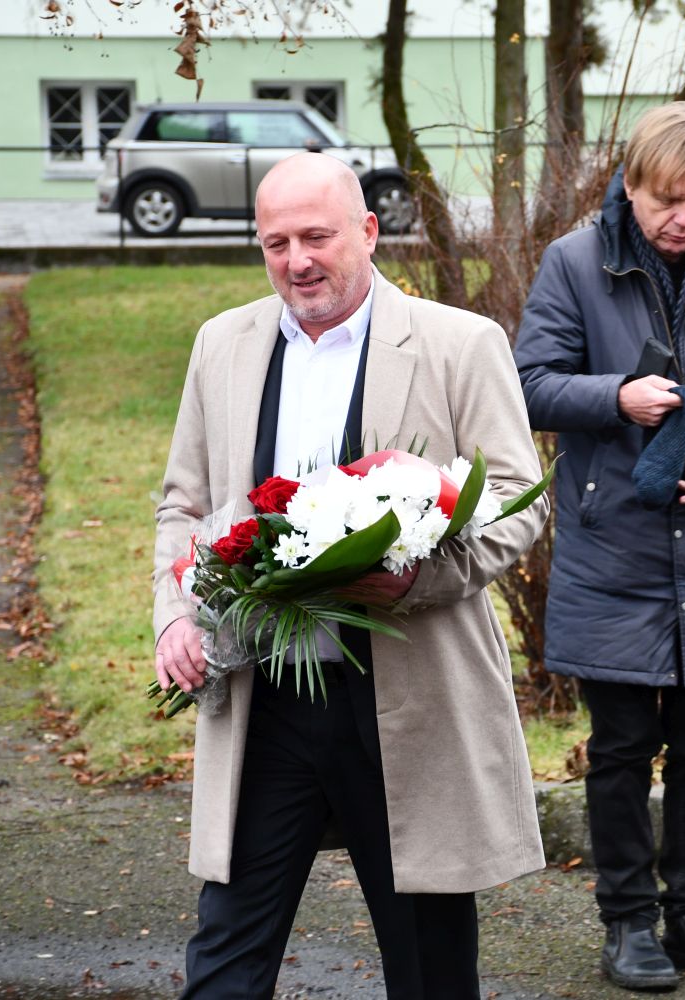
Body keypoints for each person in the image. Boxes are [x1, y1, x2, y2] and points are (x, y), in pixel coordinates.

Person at [151, 151, 549, 998]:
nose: (297, 261)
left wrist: (417, 580)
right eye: (276, 243)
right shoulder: (223, 345)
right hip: (264, 698)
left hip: (408, 698)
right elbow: (183, 505)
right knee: (224, 961)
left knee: (430, 968)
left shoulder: (459, 343)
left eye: (317, 237)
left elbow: (520, 502)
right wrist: (175, 615)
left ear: (368, 232)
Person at [513, 101, 685, 991]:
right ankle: (628, 924)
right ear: (630, 184)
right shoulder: (574, 262)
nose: (683, 219)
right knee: (622, 748)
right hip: (613, 547)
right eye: (668, 199)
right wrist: (616, 399)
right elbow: (527, 383)